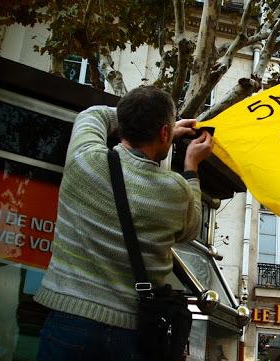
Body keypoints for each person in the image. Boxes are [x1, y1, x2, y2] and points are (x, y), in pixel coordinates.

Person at [34, 86, 212, 361]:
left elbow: (94, 114)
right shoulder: (176, 190)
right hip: (133, 334)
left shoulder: (85, 160)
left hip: (69, 322)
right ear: (164, 133)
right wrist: (191, 168)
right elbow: (191, 229)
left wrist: (154, 125)